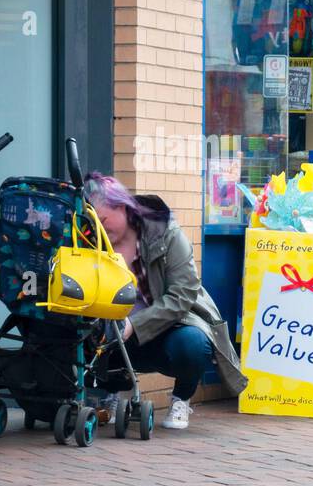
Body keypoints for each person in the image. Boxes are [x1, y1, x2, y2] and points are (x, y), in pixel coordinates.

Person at [85, 173, 247, 429]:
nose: (101, 229)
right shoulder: (91, 238)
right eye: (96, 223)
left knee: (194, 344)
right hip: (116, 330)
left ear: (123, 208)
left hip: (169, 327)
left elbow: (183, 293)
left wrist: (135, 325)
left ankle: (181, 398)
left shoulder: (166, 233)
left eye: (104, 220)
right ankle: (111, 394)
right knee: (84, 332)